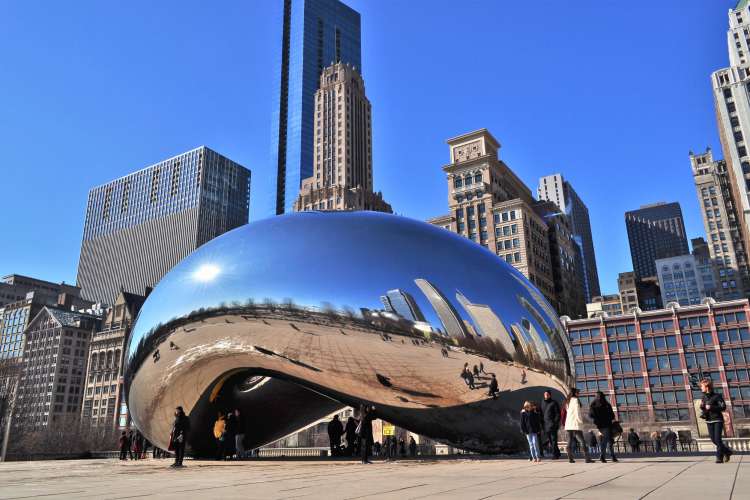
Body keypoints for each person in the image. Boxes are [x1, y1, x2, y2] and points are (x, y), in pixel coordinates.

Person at [700, 378, 732, 463]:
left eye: (702, 386)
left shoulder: (717, 396)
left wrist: (712, 407)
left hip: (717, 419)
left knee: (718, 439)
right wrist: (702, 406)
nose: (701, 388)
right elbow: (704, 407)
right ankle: (727, 452)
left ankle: (719, 457)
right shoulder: (703, 397)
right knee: (714, 440)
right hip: (709, 420)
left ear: (707, 387)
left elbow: (723, 407)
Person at [564, 388, 593, 463]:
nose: (578, 394)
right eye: (578, 392)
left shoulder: (568, 401)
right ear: (575, 393)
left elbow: (567, 411)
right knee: (582, 440)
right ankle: (587, 458)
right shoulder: (575, 400)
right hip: (575, 423)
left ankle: (569, 454)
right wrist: (580, 421)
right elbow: (577, 412)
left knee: (570, 440)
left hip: (569, 423)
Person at [588, 391, 618, 463]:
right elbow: (612, 415)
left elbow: (590, 415)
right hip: (606, 424)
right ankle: (603, 456)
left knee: (607, 440)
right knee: (607, 440)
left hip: (599, 425)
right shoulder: (606, 404)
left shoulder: (593, 404)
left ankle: (612, 456)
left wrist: (596, 418)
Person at [540, 390, 561, 459]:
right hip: (546, 425)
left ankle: (555, 455)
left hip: (552, 425)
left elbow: (558, 414)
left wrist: (555, 423)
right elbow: (541, 414)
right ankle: (557, 453)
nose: (545, 395)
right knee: (550, 440)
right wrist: (542, 424)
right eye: (545, 394)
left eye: (547, 394)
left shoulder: (554, 403)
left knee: (553, 440)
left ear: (550, 395)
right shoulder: (542, 403)